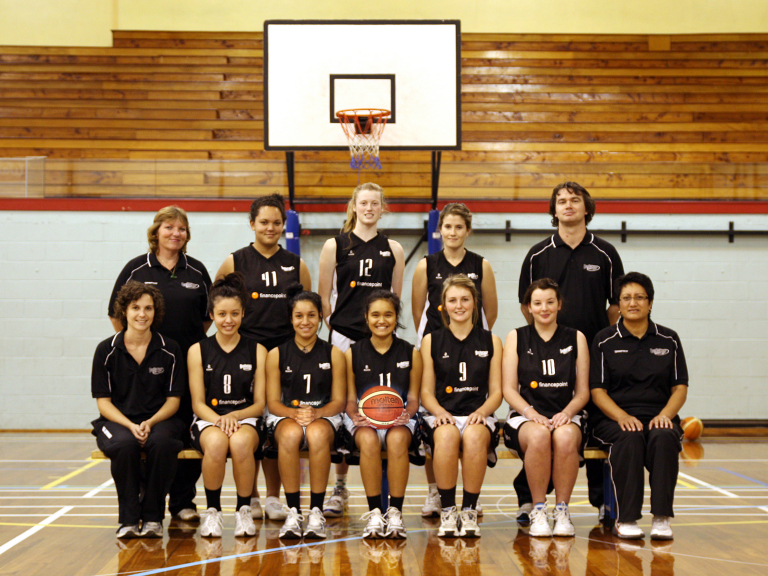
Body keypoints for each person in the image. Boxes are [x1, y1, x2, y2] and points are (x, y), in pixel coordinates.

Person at [516, 181, 624, 524]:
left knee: (588, 429)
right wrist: (546, 338)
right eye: (560, 201)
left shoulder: (605, 253)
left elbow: (616, 305)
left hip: (592, 357)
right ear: (553, 210)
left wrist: (597, 341)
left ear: (586, 208)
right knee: (541, 428)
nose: (567, 206)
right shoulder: (537, 254)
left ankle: (601, 499)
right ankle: (529, 502)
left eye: (574, 200)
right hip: (550, 359)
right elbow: (525, 305)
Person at [108, 205, 212, 522]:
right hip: (147, 369)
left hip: (189, 367)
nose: (175, 233)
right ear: (156, 232)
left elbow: (208, 318)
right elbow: (116, 315)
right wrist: (140, 347)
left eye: (181, 228)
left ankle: (183, 502)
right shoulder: (136, 269)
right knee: (147, 434)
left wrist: (186, 351)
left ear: (187, 235)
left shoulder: (196, 271)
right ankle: (143, 497)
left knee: (185, 433)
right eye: (168, 227)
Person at [216, 193, 311, 521]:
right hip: (247, 354)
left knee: (277, 425)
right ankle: (251, 495)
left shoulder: (296, 264)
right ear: (252, 223)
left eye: (276, 222)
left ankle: (273, 497)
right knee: (250, 425)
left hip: (285, 356)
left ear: (284, 225)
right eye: (264, 222)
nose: (270, 228)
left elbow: (304, 310)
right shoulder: (235, 261)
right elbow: (219, 302)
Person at [317, 182, 405, 517]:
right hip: (342, 337)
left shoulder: (393, 248)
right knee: (342, 412)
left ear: (383, 208)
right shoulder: (334, 245)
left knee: (380, 408)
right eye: (364, 203)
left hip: (379, 342)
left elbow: (393, 298)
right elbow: (324, 297)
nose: (369, 208)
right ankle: (339, 487)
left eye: (375, 203)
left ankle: (382, 490)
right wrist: (338, 332)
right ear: (354, 206)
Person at [412, 202, 498, 517]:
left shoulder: (481, 265)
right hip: (438, 348)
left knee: (469, 429)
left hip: (470, 345)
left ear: (467, 230)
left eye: (458, 227)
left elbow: (491, 311)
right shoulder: (426, 265)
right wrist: (436, 342)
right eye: (447, 226)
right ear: (440, 230)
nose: (452, 232)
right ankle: (436, 492)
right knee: (437, 426)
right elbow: (418, 310)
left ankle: (469, 503)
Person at [590, 272, 688, 540]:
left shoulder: (669, 339)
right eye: (626, 298)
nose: (633, 303)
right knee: (630, 437)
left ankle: (661, 518)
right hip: (613, 419)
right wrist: (621, 416)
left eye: (639, 297)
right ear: (618, 304)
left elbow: (680, 387)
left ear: (650, 302)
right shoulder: (603, 339)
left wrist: (665, 415)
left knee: (664, 437)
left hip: (658, 415)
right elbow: (597, 392)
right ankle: (627, 518)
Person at [92, 282, 186, 539]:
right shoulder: (106, 350)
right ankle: (129, 519)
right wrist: (131, 425)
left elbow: (173, 401)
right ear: (124, 310)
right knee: (124, 445)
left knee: (164, 443)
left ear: (156, 312)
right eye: (135, 308)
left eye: (148, 308)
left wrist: (150, 422)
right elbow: (103, 402)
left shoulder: (170, 350)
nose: (142, 314)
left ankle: (154, 517)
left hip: (161, 420)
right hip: (117, 422)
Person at [501, 278, 590, 537]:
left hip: (567, 414)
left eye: (550, 302)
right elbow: (508, 389)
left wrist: (568, 412)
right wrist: (531, 414)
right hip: (525, 416)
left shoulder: (576, 337)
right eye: (537, 303)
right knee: (539, 435)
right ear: (528, 307)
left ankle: (562, 511)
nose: (544, 308)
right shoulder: (516, 336)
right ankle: (538, 509)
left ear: (559, 304)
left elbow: (583, 391)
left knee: (563, 437)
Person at [420, 274, 503, 538]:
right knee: (445, 436)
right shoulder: (431, 340)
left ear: (475, 303)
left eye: (465, 299)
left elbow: (497, 391)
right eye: (452, 300)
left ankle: (468, 510)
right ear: (442, 305)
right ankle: (447, 510)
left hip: (478, 413)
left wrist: (482, 412)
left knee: (476, 435)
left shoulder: (492, 341)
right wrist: (440, 412)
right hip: (443, 413)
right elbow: (425, 391)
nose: (459, 305)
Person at [188, 273, 267, 538]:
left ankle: (243, 510)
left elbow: (260, 404)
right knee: (217, 443)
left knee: (241, 443)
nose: (228, 320)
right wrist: (220, 420)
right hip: (210, 419)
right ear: (212, 314)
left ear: (243, 313)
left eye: (234, 313)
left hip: (245, 418)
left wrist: (235, 415)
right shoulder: (198, 350)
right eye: (222, 314)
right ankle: (213, 512)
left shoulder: (258, 350)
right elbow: (198, 403)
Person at [265, 285, 346, 540]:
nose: (305, 321)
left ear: (321, 317)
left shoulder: (334, 353)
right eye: (299, 316)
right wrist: (293, 414)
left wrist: (317, 413)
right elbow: (273, 402)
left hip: (324, 413)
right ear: (291, 319)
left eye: (311, 315)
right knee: (289, 436)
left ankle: (315, 511)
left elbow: (339, 400)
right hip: (287, 414)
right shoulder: (276, 354)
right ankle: (293, 512)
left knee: (317, 435)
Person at [345, 290, 421, 538]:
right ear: (366, 318)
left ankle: (395, 514)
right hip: (365, 420)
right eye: (375, 314)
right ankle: (375, 513)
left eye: (388, 314)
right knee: (367, 439)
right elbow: (348, 399)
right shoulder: (353, 353)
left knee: (397, 438)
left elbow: (412, 398)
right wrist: (355, 415)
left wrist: (407, 414)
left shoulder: (411, 353)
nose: (382, 320)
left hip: (400, 420)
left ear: (396, 317)